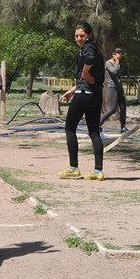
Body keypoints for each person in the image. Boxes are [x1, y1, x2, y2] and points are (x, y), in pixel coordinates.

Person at [57, 22, 106, 181]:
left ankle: (73, 168)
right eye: (76, 36)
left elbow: (89, 61)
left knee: (69, 128)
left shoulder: (88, 47)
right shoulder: (96, 47)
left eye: (82, 35)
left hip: (84, 93)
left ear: (89, 34)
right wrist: (72, 91)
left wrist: (85, 73)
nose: (79, 38)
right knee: (94, 131)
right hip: (95, 94)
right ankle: (98, 171)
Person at [99, 47, 128, 132]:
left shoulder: (117, 63)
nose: (120, 56)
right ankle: (97, 124)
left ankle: (123, 127)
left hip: (119, 87)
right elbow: (114, 72)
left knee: (123, 107)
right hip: (112, 87)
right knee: (112, 109)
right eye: (118, 54)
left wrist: (117, 62)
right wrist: (117, 61)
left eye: (121, 54)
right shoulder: (108, 63)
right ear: (113, 54)